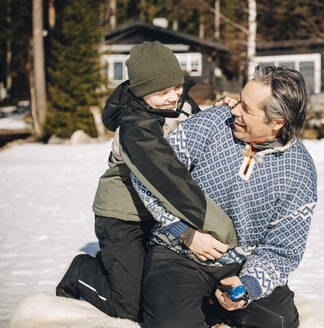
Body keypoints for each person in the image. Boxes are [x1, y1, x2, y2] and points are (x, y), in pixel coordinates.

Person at [55, 41, 237, 321]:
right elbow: (168, 179)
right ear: (141, 93)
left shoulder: (183, 104)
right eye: (161, 92)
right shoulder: (134, 127)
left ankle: (118, 266)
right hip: (123, 216)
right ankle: (82, 272)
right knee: (128, 307)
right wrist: (214, 228)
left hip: (161, 213)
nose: (172, 97)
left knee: (159, 294)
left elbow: (202, 143)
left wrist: (224, 113)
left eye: (176, 87)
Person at [131, 66, 318, 328]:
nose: (233, 110)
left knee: (281, 323)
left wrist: (248, 286)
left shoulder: (298, 170)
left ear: (277, 122)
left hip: (242, 264)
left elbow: (283, 249)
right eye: (239, 100)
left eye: (246, 109)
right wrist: (184, 231)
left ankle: (216, 310)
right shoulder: (211, 125)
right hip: (179, 252)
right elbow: (148, 174)